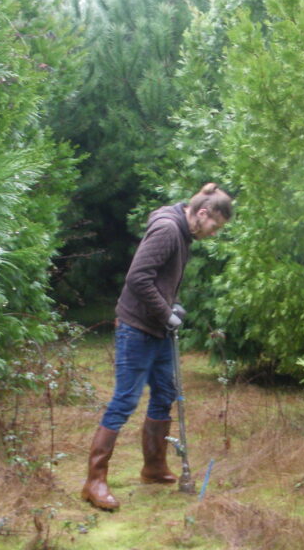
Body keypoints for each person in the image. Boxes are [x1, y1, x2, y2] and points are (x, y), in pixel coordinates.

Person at [80, 183, 232, 511]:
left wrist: (171, 306)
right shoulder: (167, 230)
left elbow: (161, 279)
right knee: (125, 400)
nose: (214, 233)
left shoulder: (183, 230)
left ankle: (153, 467)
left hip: (158, 329)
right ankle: (94, 481)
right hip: (137, 329)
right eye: (215, 226)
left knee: (165, 393)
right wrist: (166, 312)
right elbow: (138, 278)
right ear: (202, 213)